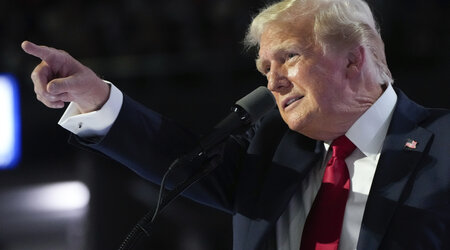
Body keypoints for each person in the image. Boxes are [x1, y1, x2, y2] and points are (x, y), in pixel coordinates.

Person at [22, 0, 449, 249]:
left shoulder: (442, 145)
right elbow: (178, 158)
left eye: (290, 57)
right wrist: (93, 96)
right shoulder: (271, 151)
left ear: (354, 59)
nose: (273, 82)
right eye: (265, 67)